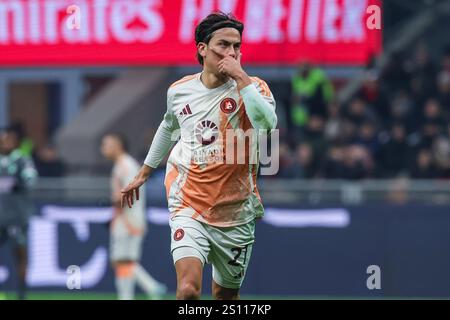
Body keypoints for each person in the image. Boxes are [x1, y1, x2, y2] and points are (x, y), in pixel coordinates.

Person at [120, 12, 277, 300]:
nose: (231, 53)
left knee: (225, 297)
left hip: (236, 213)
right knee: (188, 292)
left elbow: (267, 126)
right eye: (223, 45)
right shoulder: (180, 91)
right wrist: (143, 173)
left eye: (237, 46)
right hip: (189, 204)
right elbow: (168, 126)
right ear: (202, 49)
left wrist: (241, 77)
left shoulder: (254, 88)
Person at [100, 133, 167, 300]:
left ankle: (149, 289)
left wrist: (112, 201)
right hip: (126, 219)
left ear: (118, 145)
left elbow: (129, 193)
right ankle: (148, 289)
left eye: (106, 144)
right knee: (124, 261)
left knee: (123, 260)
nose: (103, 149)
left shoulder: (126, 166)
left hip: (128, 221)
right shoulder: (122, 165)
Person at [0, 126, 38, 300]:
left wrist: (19, 183)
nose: (4, 142)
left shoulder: (22, 160)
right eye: (2, 139)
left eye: (8, 139)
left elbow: (31, 179)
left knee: (20, 254)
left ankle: (22, 294)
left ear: (15, 142)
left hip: (17, 216)